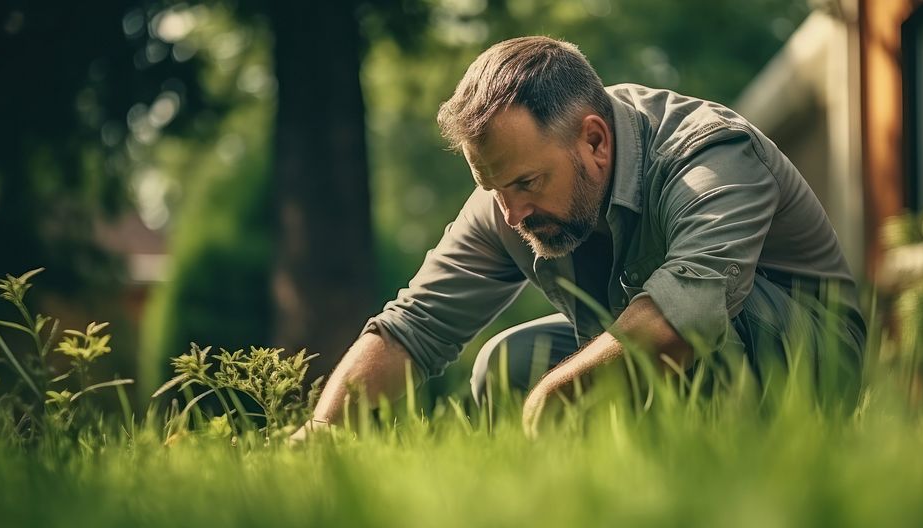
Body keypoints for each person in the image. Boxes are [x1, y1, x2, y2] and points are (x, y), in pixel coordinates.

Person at [291, 35, 865, 440]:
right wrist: (321, 435)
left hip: (807, 359)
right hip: (676, 345)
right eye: (492, 188)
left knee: (698, 323)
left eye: (526, 183)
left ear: (594, 140)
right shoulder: (510, 197)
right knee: (508, 362)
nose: (512, 214)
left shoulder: (710, 155)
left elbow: (691, 310)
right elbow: (412, 327)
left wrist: (554, 396)